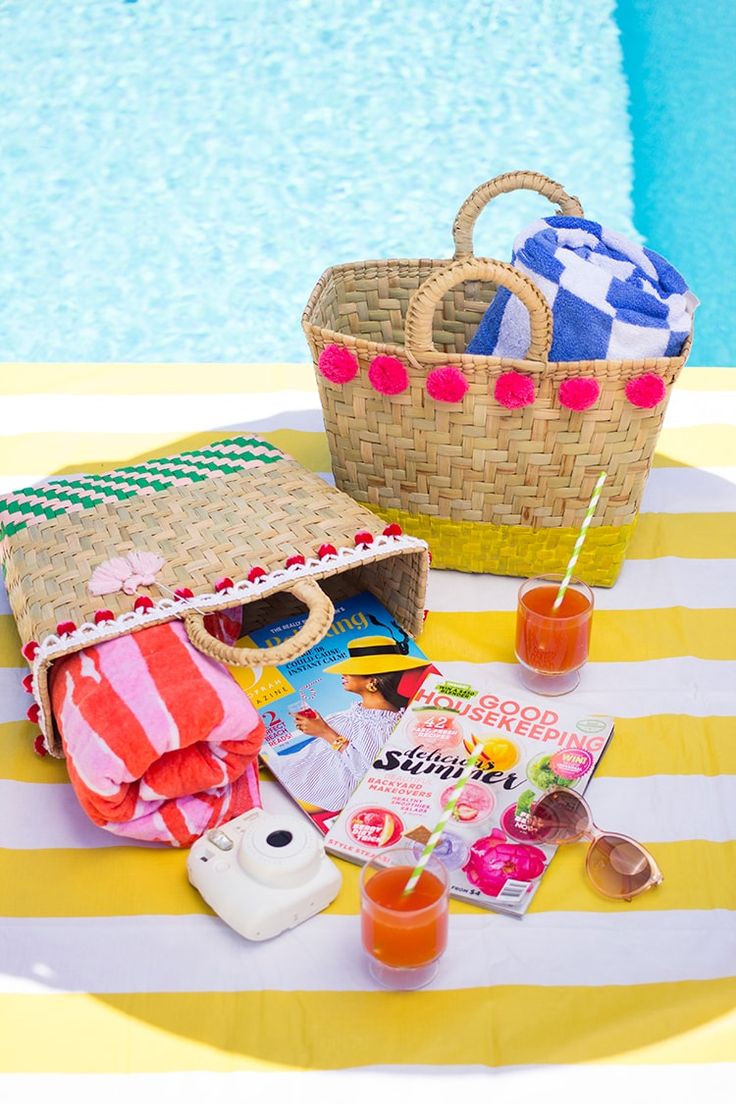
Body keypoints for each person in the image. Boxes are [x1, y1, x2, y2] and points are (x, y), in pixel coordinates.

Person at [272, 635, 436, 813]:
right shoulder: (351, 714)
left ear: (372, 682)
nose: (344, 674)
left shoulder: (386, 726)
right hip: (287, 771)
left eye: (352, 669)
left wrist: (326, 733)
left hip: (310, 794)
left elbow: (369, 774)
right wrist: (315, 728)